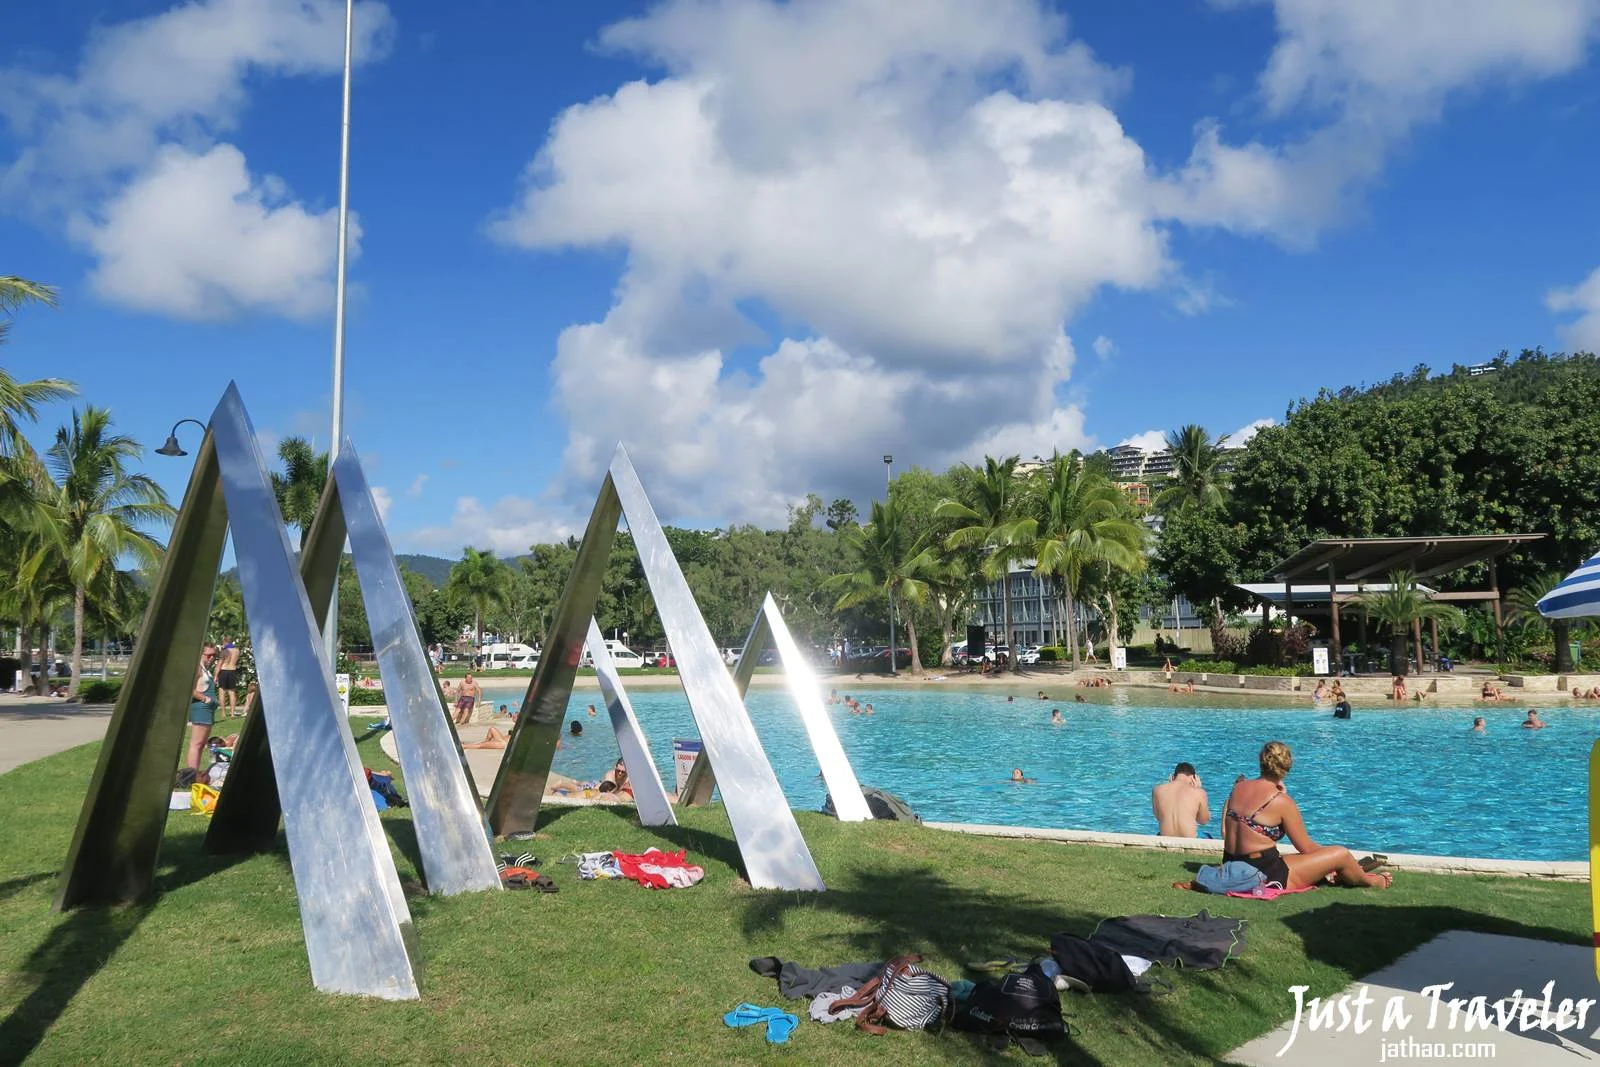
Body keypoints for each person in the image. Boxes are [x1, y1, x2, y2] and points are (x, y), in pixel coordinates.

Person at [1221, 741, 1391, 890]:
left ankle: (1340, 872)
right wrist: (1333, 858)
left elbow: (1225, 831)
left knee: (1306, 860)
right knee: (1341, 854)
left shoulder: (1238, 788)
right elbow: (1306, 848)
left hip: (1232, 864)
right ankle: (1374, 882)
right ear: (1287, 767)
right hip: (1263, 874)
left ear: (1261, 761)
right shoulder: (1281, 801)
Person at [1151, 762, 1211, 838]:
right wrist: (1198, 789)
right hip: (1189, 840)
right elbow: (1204, 821)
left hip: (1166, 838)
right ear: (1194, 778)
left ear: (1173, 777)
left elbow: (1159, 817)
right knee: (1208, 836)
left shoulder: (1157, 790)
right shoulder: (1199, 792)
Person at [186, 644, 220, 772]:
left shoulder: (206, 669)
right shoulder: (198, 668)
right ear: (200, 654)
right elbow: (188, 688)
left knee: (201, 744)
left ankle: (196, 772)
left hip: (208, 710)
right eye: (208, 655)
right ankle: (191, 774)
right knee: (197, 744)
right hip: (201, 709)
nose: (211, 658)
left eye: (213, 655)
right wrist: (205, 699)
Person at [216, 636, 241, 718]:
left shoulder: (224, 651)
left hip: (224, 670)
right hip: (232, 671)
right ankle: (232, 713)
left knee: (222, 692)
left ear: (225, 642)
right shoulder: (237, 650)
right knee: (232, 692)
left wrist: (215, 675)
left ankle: (223, 713)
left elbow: (219, 664)